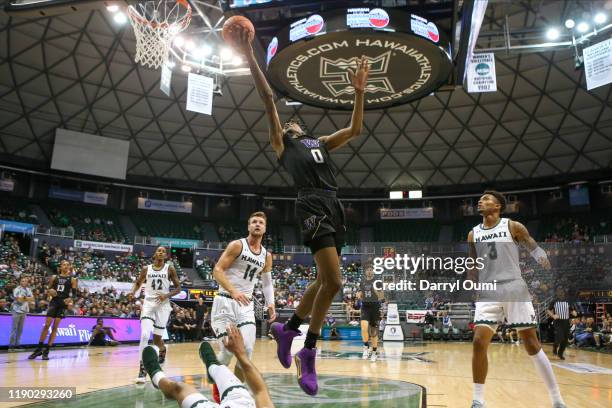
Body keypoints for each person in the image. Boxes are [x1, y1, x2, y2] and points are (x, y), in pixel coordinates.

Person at [234, 26, 369, 396]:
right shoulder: (282, 144)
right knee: (336, 283)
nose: (291, 122)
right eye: (288, 121)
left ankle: (289, 327)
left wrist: (358, 93)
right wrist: (248, 52)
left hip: (333, 203)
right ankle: (307, 350)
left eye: (295, 121)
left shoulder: (320, 142)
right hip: (310, 202)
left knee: (324, 281)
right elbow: (266, 97)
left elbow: (355, 129)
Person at [467, 191, 565, 408]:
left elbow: (531, 244)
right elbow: (473, 262)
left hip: (514, 287)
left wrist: (541, 256)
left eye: (486, 199)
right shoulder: (473, 234)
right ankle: (478, 400)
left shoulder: (513, 226)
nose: (480, 201)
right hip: (488, 291)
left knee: (531, 343)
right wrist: (471, 278)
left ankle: (557, 399)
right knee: (478, 342)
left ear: (498, 206)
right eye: (480, 198)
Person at [211, 211, 275, 393]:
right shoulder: (237, 245)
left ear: (264, 228)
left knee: (247, 349)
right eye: (254, 221)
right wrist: (233, 291)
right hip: (225, 300)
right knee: (228, 351)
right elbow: (217, 270)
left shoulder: (266, 255)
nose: (257, 224)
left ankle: (233, 391)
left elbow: (267, 282)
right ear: (248, 226)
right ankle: (216, 376)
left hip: (246, 305)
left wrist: (271, 303)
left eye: (260, 222)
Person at [141, 324, 274, 408]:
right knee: (222, 369)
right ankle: (212, 365)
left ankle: (155, 375)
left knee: (179, 388)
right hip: (241, 403)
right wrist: (240, 354)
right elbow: (260, 390)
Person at [129, 246, 182, 383]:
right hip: (148, 304)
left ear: (166, 256)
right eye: (159, 250)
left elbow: (178, 288)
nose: (161, 252)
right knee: (145, 335)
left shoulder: (169, 268)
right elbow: (138, 282)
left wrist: (167, 295)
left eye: (163, 251)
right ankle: (142, 370)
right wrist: (132, 292)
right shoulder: (146, 268)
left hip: (163, 306)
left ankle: (163, 349)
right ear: (155, 253)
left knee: (157, 340)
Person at [29, 260, 77, 360]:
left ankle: (47, 351)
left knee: (55, 327)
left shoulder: (72, 279)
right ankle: (39, 349)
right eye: (64, 264)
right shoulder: (55, 277)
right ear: (60, 266)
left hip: (63, 304)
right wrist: (50, 291)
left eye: (68, 265)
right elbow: (48, 289)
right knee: (47, 325)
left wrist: (70, 299)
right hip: (54, 302)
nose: (66, 266)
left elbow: (75, 294)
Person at [358, 266, 384, 362]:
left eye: (371, 270)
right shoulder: (362, 282)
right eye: (368, 270)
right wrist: (359, 296)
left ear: (373, 271)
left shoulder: (377, 282)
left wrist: (375, 291)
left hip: (375, 308)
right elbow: (360, 295)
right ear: (365, 271)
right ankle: (365, 348)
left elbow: (381, 297)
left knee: (373, 333)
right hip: (365, 307)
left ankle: (374, 352)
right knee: (364, 328)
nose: (369, 271)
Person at [9, 276, 34, 352]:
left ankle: (17, 345)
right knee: (14, 329)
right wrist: (27, 298)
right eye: (23, 281)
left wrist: (24, 298)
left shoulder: (28, 289)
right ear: (20, 282)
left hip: (24, 311)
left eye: (25, 281)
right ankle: (11, 346)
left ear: (27, 282)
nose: (24, 282)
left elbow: (32, 298)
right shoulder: (17, 289)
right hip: (16, 311)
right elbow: (19, 300)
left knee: (20, 329)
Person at [547, 295, 571, 359]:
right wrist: (553, 315)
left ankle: (560, 353)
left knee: (565, 340)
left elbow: (572, 309)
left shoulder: (568, 301)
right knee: (560, 337)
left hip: (566, 322)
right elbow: (548, 310)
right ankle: (555, 347)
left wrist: (574, 312)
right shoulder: (554, 301)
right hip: (558, 322)